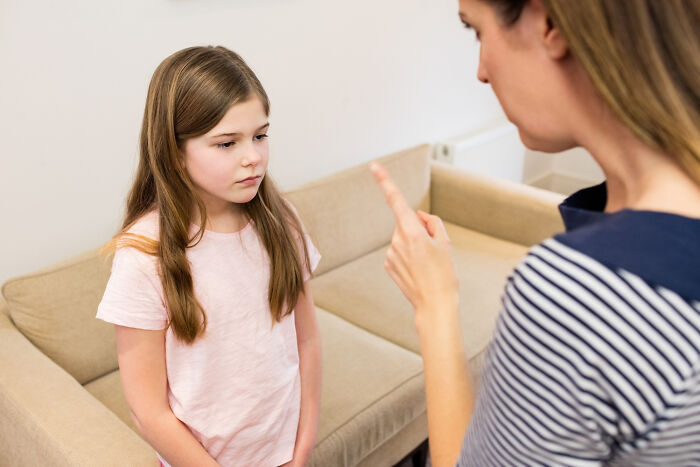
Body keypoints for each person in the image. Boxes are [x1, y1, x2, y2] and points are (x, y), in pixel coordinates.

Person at [371, 0, 700, 465]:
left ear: (549, 22)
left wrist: (435, 303)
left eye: (476, 31)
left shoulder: (580, 295)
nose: (481, 72)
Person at [96, 46, 322, 467]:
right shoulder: (144, 255)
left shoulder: (282, 222)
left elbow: (306, 340)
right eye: (226, 143)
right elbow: (148, 413)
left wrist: (303, 447)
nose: (253, 156)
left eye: (260, 135)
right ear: (175, 152)